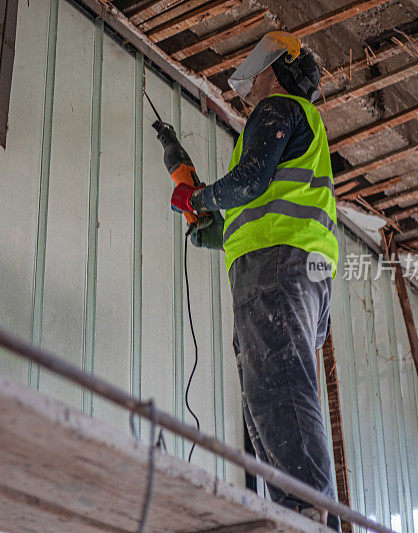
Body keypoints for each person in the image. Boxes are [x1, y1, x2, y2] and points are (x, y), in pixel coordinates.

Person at [169, 31, 340, 529]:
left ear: (272, 68)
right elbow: (259, 209)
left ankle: (307, 510)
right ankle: (294, 509)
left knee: (278, 388)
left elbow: (249, 182)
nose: (249, 87)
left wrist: (196, 201)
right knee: (269, 397)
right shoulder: (298, 126)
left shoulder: (277, 108)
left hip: (278, 272)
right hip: (290, 271)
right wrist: (215, 233)